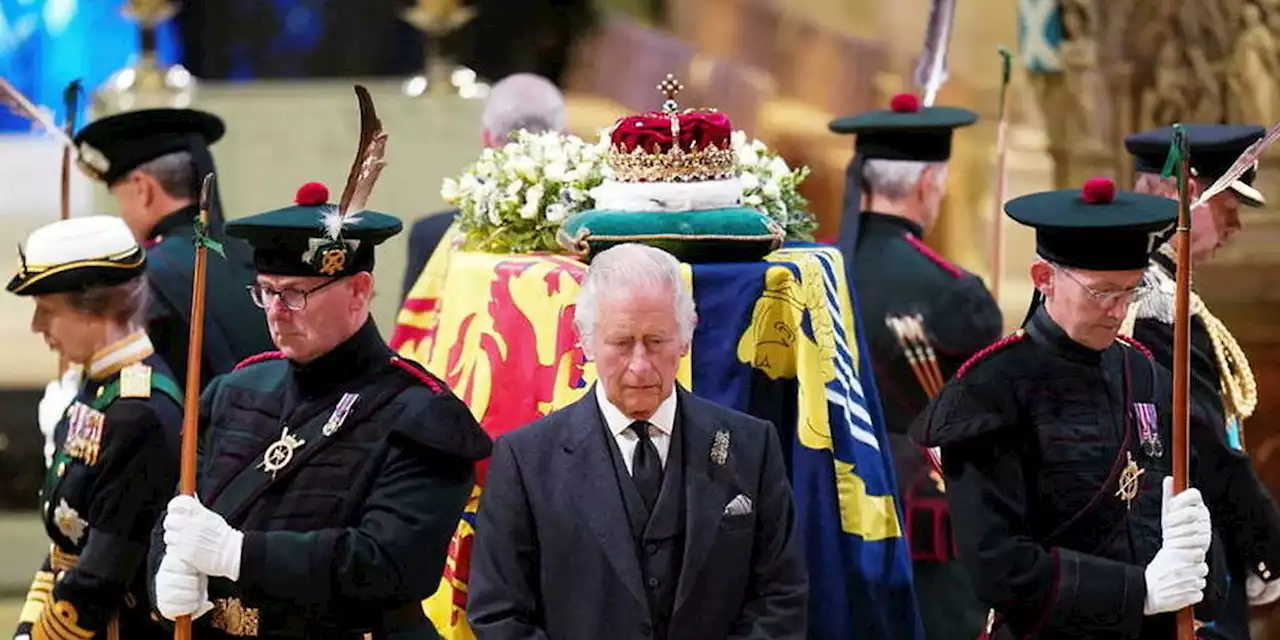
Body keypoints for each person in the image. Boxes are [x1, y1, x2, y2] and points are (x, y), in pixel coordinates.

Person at [910, 177, 1280, 638]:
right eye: (1102, 292)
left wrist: (1197, 558)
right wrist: (1137, 591)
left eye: (1131, 291)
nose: (1117, 309)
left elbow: (1171, 507)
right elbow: (998, 565)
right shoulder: (990, 390)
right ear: (1045, 279)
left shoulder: (1146, 375)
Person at [146, 180, 493, 638]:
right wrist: (163, 575)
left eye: (295, 294)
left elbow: (391, 563)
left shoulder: (421, 414)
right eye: (266, 291)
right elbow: (180, 514)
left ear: (358, 291)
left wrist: (239, 555)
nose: (275, 311)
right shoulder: (233, 390)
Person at [467, 243, 808, 640]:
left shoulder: (752, 446)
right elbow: (499, 614)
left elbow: (780, 599)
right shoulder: (525, 461)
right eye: (622, 342)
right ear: (587, 341)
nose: (640, 365)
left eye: (657, 341)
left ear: (686, 337)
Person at [829, 92, 1001, 639]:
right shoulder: (955, 294)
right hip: (924, 521)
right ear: (930, 184)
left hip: (829, 502)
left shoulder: (811, 274)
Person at [1124, 124, 1280, 639]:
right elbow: (1203, 440)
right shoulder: (1153, 301)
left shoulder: (1160, 287)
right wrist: (1265, 546)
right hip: (1179, 542)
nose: (1235, 226)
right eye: (1228, 205)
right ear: (1187, 193)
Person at [8, 216, 183, 640]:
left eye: (47, 311)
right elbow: (65, 550)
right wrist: (28, 628)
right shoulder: (99, 385)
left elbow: (101, 578)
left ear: (96, 309)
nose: (36, 327)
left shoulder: (137, 410)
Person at [71, 108, 274, 392]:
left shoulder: (142, 277)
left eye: (119, 199)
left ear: (143, 188)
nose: (122, 213)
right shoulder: (256, 255)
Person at [402, 73, 567, 299]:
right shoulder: (584, 238)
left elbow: (412, 330)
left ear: (487, 139)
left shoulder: (433, 238)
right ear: (565, 137)